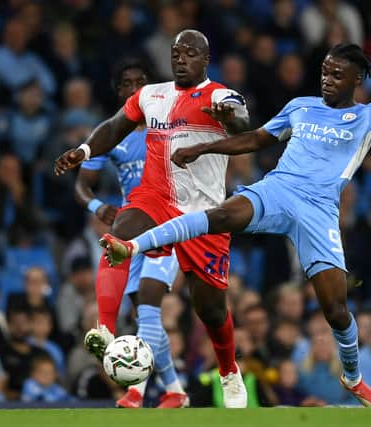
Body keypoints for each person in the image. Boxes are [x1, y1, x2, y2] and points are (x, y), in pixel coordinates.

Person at [96, 43, 371, 407]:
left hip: (318, 211)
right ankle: (133, 245)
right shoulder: (300, 107)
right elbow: (254, 138)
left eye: (336, 75)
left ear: (357, 79)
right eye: (324, 73)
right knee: (220, 216)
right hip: (277, 190)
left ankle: (353, 378)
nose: (327, 81)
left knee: (336, 310)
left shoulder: (369, 117)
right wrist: (205, 148)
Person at [53, 30, 250, 407]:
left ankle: (228, 370)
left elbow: (243, 122)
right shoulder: (151, 95)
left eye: (190, 53)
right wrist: (84, 149)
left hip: (203, 213)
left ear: (205, 60)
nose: (181, 58)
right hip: (154, 197)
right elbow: (113, 127)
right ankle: (106, 331)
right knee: (118, 235)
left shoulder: (220, 96)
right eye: (176, 52)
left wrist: (233, 117)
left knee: (210, 308)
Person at [74, 58, 186, 408]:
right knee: (144, 317)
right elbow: (82, 185)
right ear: (119, 91)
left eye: (142, 80)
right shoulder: (111, 135)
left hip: (168, 228)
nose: (135, 87)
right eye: (127, 82)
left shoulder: (170, 127)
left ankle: (135, 389)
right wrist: (97, 208)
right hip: (129, 233)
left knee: (150, 308)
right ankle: (175, 390)